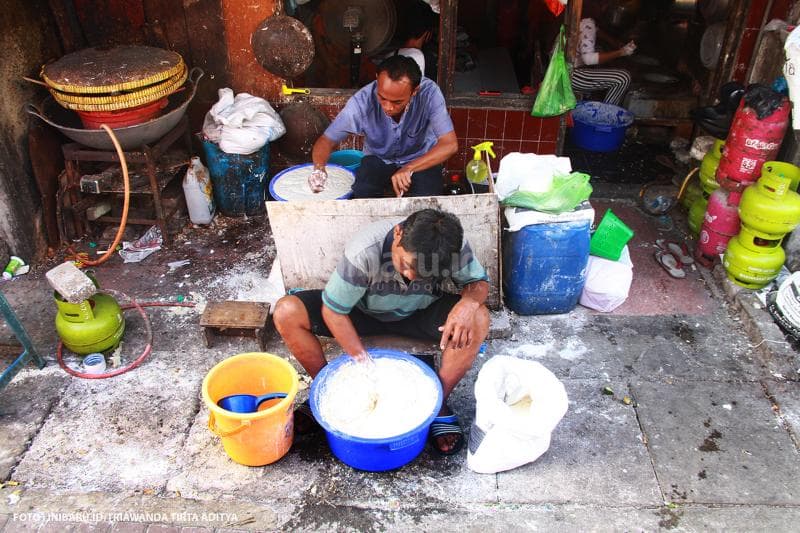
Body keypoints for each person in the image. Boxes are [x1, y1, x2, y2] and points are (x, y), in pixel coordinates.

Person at [273, 209, 490, 455]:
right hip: (362, 315)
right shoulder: (364, 251)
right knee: (286, 312)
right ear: (398, 233)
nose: (410, 276)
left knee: (479, 317)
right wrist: (361, 361)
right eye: (407, 265)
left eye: (423, 273)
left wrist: (468, 304)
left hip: (420, 315)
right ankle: (325, 391)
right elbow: (334, 312)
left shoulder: (450, 245)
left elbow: (478, 284)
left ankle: (436, 403)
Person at [309, 55, 458, 198]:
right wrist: (319, 169)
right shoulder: (362, 101)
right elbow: (326, 140)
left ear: (415, 91)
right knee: (363, 190)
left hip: (420, 157)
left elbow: (449, 144)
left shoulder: (429, 93)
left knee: (429, 199)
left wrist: (409, 168)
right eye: (382, 97)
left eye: (397, 102)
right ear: (377, 80)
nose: (388, 107)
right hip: (379, 158)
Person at [570, 17, 636, 106]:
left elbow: (596, 31)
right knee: (623, 77)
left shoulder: (579, 19)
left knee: (600, 50)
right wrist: (622, 52)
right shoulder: (587, 22)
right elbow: (588, 59)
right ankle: (605, 114)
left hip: (563, 71)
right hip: (569, 75)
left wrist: (614, 42)